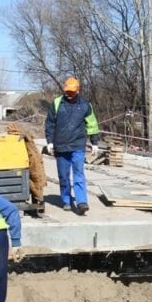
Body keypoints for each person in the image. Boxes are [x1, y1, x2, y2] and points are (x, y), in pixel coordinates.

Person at [44, 75, 101, 215]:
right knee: (63, 176)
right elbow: (50, 123)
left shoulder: (85, 105)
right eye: (67, 91)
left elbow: (92, 124)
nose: (69, 94)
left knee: (78, 173)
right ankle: (66, 200)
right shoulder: (57, 103)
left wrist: (94, 142)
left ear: (77, 91)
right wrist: (50, 142)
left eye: (71, 92)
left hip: (77, 145)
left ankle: (82, 202)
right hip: (61, 146)